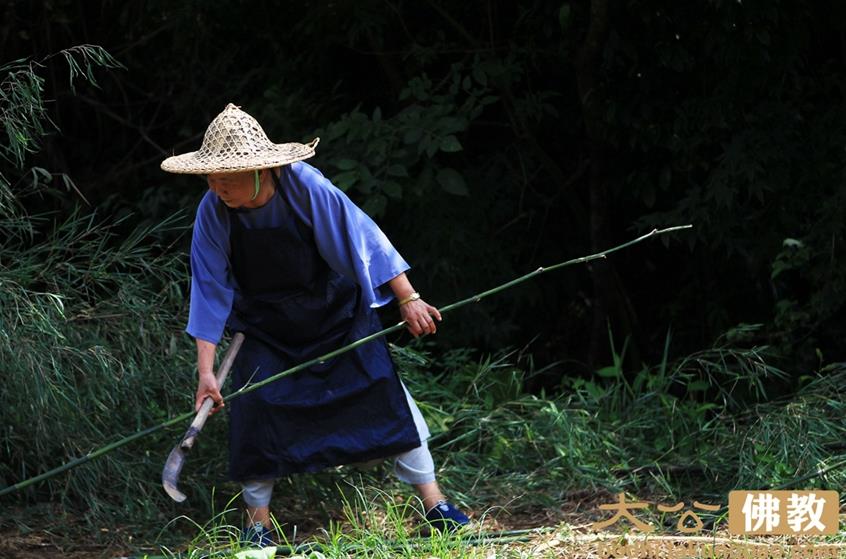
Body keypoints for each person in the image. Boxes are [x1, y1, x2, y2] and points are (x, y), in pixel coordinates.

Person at [161, 103, 469, 545]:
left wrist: (409, 298)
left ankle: (436, 505)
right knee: (257, 412)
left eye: (226, 177)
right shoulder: (213, 211)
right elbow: (209, 291)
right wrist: (206, 372)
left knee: (384, 393)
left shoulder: (304, 187)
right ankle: (257, 529)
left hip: (334, 315)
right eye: (211, 177)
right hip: (265, 328)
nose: (216, 186)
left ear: (261, 171)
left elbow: (362, 236)